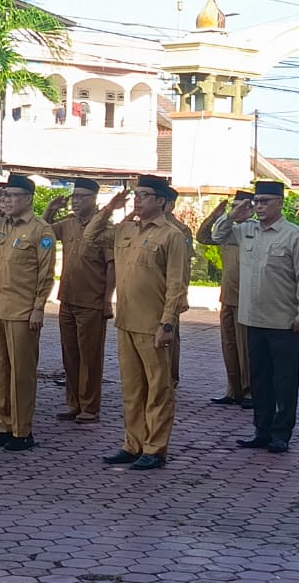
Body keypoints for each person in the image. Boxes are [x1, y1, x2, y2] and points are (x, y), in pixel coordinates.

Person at [95, 177, 188, 471]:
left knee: (158, 389)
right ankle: (132, 444)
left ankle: (155, 449)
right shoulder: (126, 229)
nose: (138, 200)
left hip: (153, 325)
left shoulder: (172, 236)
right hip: (126, 321)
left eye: (145, 195)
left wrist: (168, 323)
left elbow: (177, 284)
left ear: (160, 201)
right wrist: (110, 208)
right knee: (132, 389)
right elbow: (90, 236)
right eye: (136, 195)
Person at [0, 174, 56, 451]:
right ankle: (3, 425)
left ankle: (22, 430)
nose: (6, 200)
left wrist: (38, 307)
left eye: (12, 195)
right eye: (4, 195)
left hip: (22, 312)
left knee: (21, 374)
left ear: (28, 199)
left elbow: (46, 274)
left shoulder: (40, 230)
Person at [222, 180, 299, 453]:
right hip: (253, 319)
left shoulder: (294, 235)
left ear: (280, 203)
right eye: (256, 202)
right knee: (260, 379)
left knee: (285, 381)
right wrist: (232, 216)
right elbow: (212, 236)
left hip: (283, 321)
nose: (259, 207)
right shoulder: (246, 230)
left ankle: (281, 433)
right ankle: (262, 431)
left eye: (264, 201)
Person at [42, 179, 115, 424]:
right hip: (67, 298)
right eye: (74, 197)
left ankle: (90, 406)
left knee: (90, 356)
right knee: (70, 354)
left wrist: (107, 300)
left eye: (82, 197)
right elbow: (41, 234)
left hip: (92, 301)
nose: (76, 201)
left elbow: (112, 266)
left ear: (94, 199)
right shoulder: (68, 224)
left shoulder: (103, 228)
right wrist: (50, 210)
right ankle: (73, 403)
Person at [197, 190, 254, 409]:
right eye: (234, 206)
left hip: (245, 298)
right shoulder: (227, 230)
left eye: (242, 206)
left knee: (245, 347)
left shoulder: (251, 230)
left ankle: (249, 391)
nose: (236, 210)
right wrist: (216, 215)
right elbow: (203, 237)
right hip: (227, 296)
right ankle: (233, 390)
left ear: (251, 209)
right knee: (229, 345)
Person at [161, 186, 194, 386]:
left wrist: (183, 294)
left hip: (170, 291)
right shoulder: (143, 227)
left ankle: (171, 376)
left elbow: (185, 267)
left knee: (170, 334)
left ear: (171, 204)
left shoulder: (181, 230)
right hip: (149, 292)